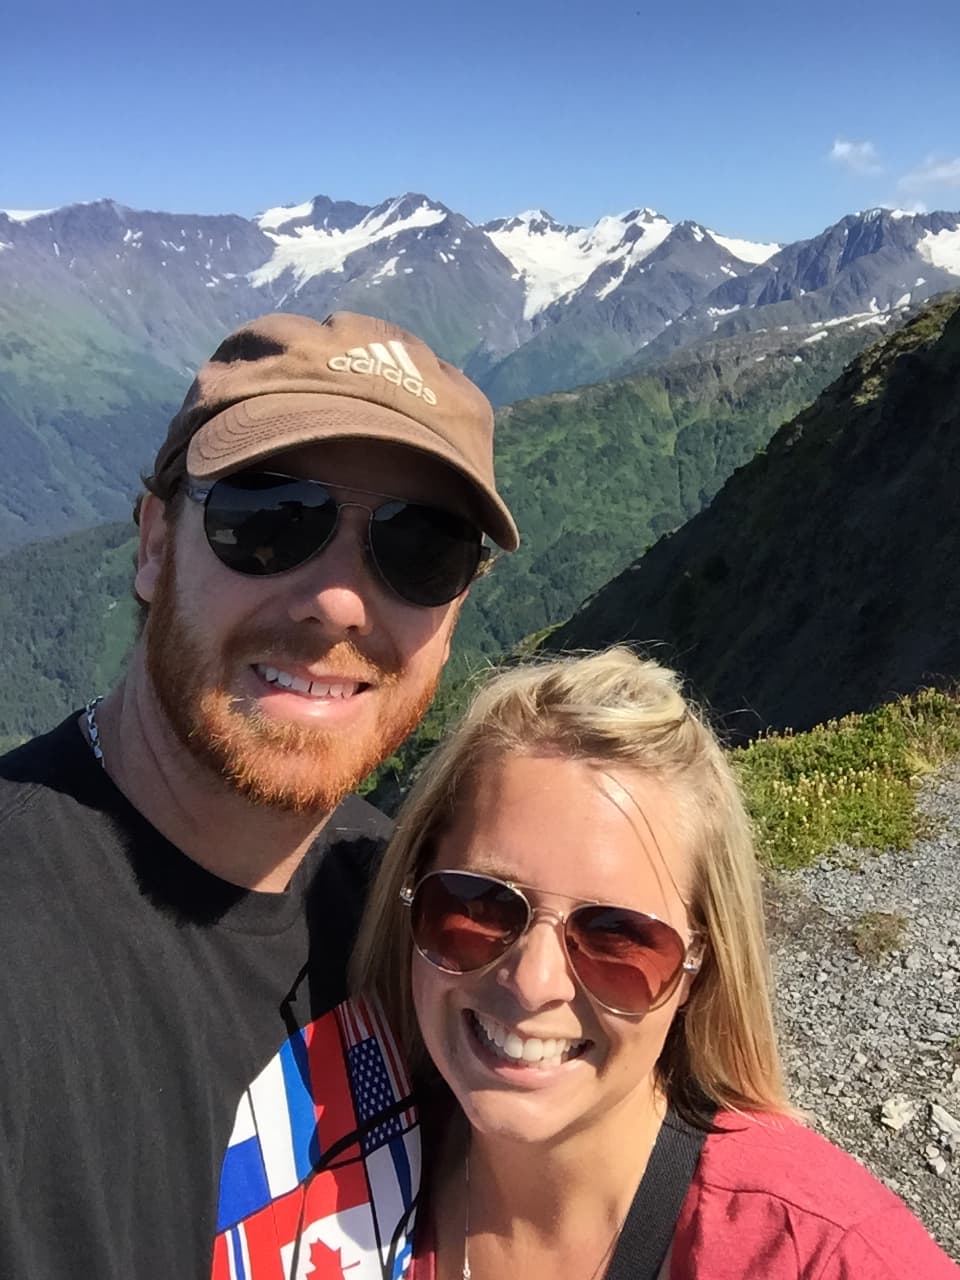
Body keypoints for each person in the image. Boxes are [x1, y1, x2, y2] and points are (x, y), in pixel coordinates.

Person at [0, 310, 518, 1280]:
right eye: (270, 517)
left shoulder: (420, 920)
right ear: (155, 543)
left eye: (423, 548)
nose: (338, 601)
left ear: (454, 615)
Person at [353, 648, 960, 1279]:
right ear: (411, 893)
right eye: (480, 904)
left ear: (698, 970)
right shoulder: (342, 1169)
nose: (533, 982)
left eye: (617, 936)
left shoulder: (823, 1255)